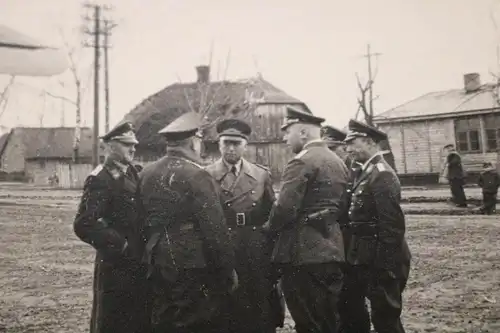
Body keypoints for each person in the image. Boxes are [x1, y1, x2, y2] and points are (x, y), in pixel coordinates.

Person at [138, 111, 237, 333]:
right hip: (191, 259)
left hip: (156, 256)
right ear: (193, 142)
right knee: (193, 319)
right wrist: (227, 269)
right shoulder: (197, 175)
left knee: (163, 316)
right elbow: (214, 229)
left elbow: (140, 220)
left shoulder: (146, 173)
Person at [263, 106, 349, 333]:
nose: (284, 138)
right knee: (329, 319)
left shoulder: (301, 162)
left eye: (287, 132)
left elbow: (284, 209)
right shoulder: (337, 160)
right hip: (332, 249)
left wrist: (267, 230)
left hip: (302, 255)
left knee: (308, 321)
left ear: (302, 132)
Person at [73, 122, 151, 333]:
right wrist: (121, 245)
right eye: (126, 144)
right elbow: (84, 224)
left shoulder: (135, 173)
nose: (133, 149)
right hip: (116, 264)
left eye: (134, 144)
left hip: (140, 261)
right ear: (109, 146)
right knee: (114, 321)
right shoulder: (100, 179)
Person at [205, 118, 282, 333]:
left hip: (254, 244)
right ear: (219, 144)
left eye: (236, 143)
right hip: (224, 242)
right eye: (226, 143)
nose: (230, 148)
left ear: (245, 145)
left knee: (258, 300)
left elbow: (271, 212)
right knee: (226, 302)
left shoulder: (260, 174)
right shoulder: (206, 174)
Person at [343, 119, 411, 333]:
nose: (348, 149)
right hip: (364, 257)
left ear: (370, 142)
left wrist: (385, 267)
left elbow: (392, 227)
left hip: (382, 261)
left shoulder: (382, 174)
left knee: (385, 319)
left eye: (354, 143)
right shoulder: (366, 171)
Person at [321, 124, 370, 333]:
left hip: (352, 245)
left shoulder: (354, 172)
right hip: (334, 244)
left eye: (333, 149)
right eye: (326, 149)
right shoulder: (329, 172)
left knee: (352, 296)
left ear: (343, 148)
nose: (329, 154)